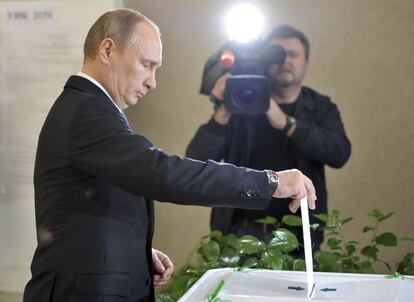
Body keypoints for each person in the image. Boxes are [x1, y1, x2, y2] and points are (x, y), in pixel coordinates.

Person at [23, 10, 317, 302]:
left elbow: (86, 206)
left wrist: (134, 252)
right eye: (146, 65)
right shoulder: (87, 110)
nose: (152, 81)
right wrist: (271, 182)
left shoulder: (89, 107)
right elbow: (161, 172)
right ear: (108, 49)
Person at [186, 25, 351, 253]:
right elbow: (195, 160)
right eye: (277, 54)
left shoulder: (319, 107)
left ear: (306, 63)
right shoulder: (240, 101)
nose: (285, 61)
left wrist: (286, 122)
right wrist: (225, 109)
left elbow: (340, 153)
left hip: (300, 233)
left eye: (293, 55)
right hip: (239, 231)